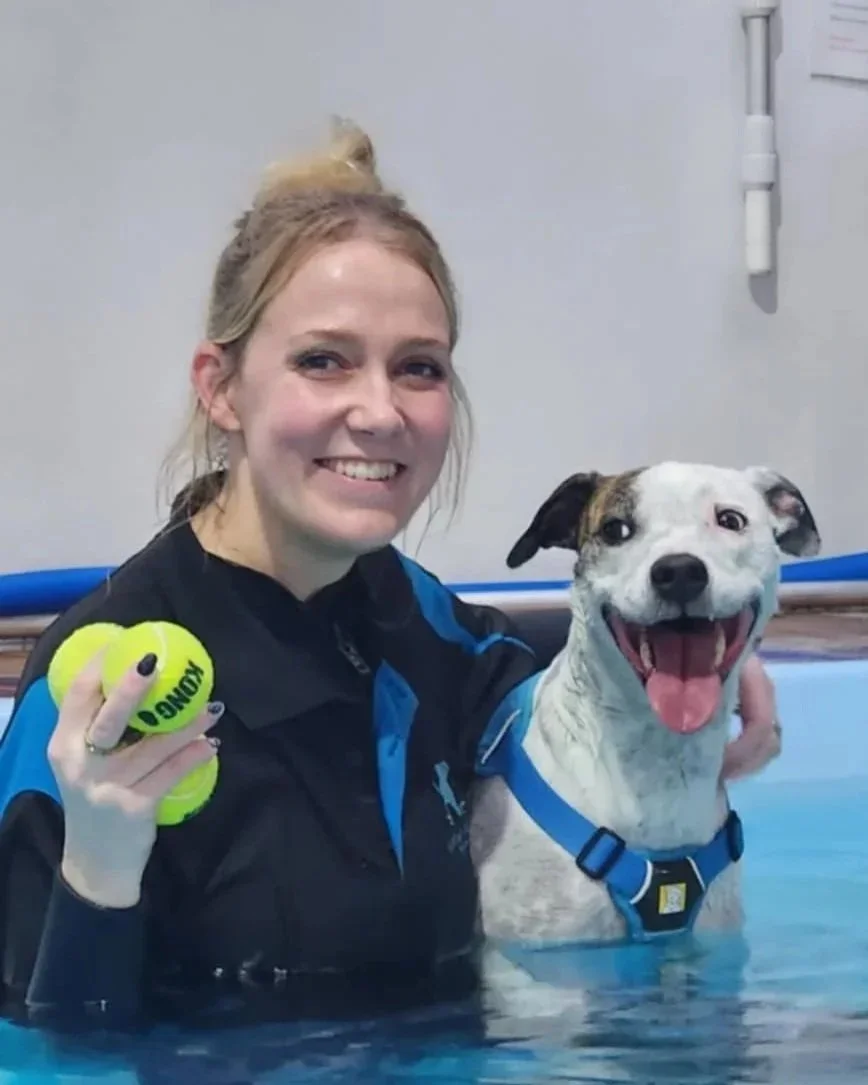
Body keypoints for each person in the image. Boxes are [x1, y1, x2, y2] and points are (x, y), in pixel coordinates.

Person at [0, 121, 782, 1032]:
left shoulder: (420, 621)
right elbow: (47, 1048)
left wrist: (697, 646)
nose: (378, 411)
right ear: (221, 387)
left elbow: (536, 645)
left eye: (418, 367)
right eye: (322, 360)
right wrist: (98, 866)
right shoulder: (101, 681)